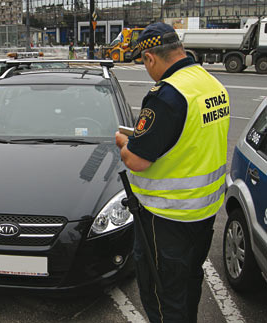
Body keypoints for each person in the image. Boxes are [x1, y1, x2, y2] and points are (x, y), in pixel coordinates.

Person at [115, 22, 230, 323]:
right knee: (189, 286)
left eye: (144, 63)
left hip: (166, 221)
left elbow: (137, 160)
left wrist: (125, 144)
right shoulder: (211, 84)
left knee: (163, 297)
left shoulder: (167, 96)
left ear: (150, 58)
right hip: (203, 216)